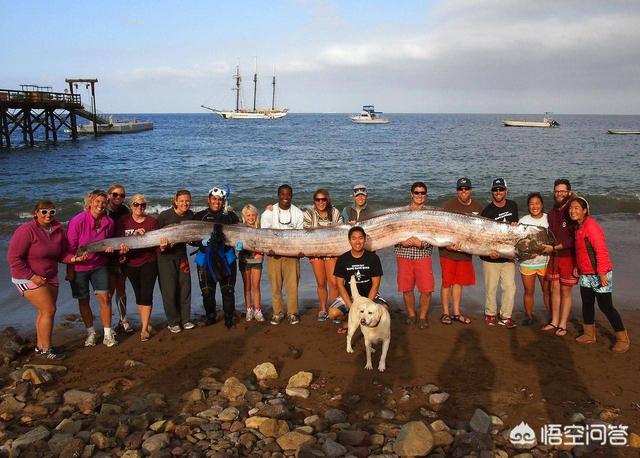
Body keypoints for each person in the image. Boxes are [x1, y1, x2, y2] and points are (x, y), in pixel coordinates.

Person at [7, 201, 85, 360]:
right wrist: (32, 277)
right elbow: (14, 259)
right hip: (26, 277)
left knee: (43, 312)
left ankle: (40, 346)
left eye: (52, 212)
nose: (48, 215)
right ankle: (47, 350)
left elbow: (61, 255)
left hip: (50, 277)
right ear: (36, 213)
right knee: (49, 310)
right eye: (44, 212)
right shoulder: (26, 230)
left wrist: (74, 259)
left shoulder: (57, 230)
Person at [569, 197, 630, 353]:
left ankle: (623, 339)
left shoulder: (591, 227)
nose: (572, 211)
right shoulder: (579, 227)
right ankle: (589, 334)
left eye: (576, 208)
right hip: (586, 274)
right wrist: (577, 266)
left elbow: (601, 251)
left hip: (600, 273)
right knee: (587, 303)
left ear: (585, 211)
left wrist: (602, 273)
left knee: (606, 306)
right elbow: (580, 251)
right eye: (571, 208)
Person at [67, 190, 118, 348]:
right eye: (97, 202)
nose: (100, 205)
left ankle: (108, 335)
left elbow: (108, 243)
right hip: (79, 266)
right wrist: (70, 270)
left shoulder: (109, 222)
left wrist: (110, 249)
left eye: (103, 202)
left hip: (99, 265)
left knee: (105, 298)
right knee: (84, 300)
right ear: (90, 203)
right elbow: (70, 248)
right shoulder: (77, 221)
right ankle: (91, 333)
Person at [193, 186, 240, 328]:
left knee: (228, 289)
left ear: (224, 201)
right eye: (214, 199)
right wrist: (199, 242)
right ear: (208, 200)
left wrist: (240, 244)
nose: (217, 202)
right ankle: (210, 317)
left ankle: (229, 318)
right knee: (207, 291)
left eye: (220, 200)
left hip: (227, 257)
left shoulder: (231, 216)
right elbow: (190, 238)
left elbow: (240, 235)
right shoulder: (199, 216)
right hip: (205, 258)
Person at [439, 178, 484, 325]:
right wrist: (446, 245)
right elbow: (439, 227)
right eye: (460, 189)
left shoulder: (478, 206)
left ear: (471, 190)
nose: (463, 191)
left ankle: (456, 312)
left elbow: (483, 231)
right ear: (457, 191)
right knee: (447, 283)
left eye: (466, 188)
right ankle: (446, 313)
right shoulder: (448, 205)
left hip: (465, 252)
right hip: (448, 252)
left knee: (459, 283)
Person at [116, 194, 160, 341]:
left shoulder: (152, 222)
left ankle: (144, 330)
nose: (139, 207)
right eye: (136, 204)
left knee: (147, 294)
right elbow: (118, 240)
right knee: (139, 294)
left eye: (142, 205)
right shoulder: (123, 221)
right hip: (130, 263)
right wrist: (120, 251)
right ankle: (146, 325)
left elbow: (155, 244)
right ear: (130, 206)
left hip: (148, 261)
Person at [260, 184, 305, 325]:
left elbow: (301, 236)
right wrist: (269, 249)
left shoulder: (298, 213)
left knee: (292, 287)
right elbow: (264, 234)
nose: (285, 197)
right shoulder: (268, 213)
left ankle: (293, 313)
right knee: (276, 286)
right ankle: (278, 313)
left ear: (291, 196)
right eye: (283, 194)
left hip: (292, 256)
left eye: (288, 194)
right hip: (274, 256)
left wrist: (300, 251)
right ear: (278, 195)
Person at [330, 226, 388, 333]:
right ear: (349, 240)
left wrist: (368, 306)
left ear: (365, 239)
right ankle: (348, 320)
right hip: (350, 297)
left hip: (369, 296)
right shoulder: (342, 259)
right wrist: (352, 308)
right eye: (354, 238)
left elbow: (376, 285)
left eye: (360, 238)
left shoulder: (373, 258)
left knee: (384, 310)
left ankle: (367, 322)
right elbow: (340, 285)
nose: (357, 241)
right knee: (333, 313)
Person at [393, 182, 434, 329]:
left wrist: (422, 244)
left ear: (426, 195)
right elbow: (392, 231)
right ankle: (411, 314)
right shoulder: (401, 213)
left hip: (423, 255)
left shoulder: (432, 214)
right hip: (403, 254)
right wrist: (401, 242)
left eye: (422, 193)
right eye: (417, 192)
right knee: (407, 288)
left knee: (426, 289)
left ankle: (422, 317)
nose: (419, 195)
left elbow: (436, 234)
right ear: (411, 194)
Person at [540, 179, 577, 337]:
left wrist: (554, 248)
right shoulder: (552, 212)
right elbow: (551, 235)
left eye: (563, 191)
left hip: (568, 256)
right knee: (553, 288)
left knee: (565, 290)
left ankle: (563, 324)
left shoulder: (572, 209)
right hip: (554, 256)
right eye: (557, 191)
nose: (559, 194)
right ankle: (554, 321)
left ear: (569, 192)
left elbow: (573, 238)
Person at [480, 178, 519, 329]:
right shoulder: (487, 211)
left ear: (506, 191)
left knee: (510, 287)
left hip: (508, 256)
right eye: (495, 190)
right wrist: (489, 252)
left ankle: (505, 316)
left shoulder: (513, 205)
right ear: (492, 192)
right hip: (491, 256)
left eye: (501, 189)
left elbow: (513, 232)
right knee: (491, 287)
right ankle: (490, 314)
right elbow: (482, 235)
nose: (498, 192)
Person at [157, 190, 195, 333]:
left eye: (187, 201)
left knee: (185, 288)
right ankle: (173, 321)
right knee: (169, 291)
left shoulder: (190, 215)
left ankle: (185, 320)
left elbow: (194, 236)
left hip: (182, 256)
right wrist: (161, 247)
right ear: (176, 201)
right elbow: (153, 237)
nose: (185, 203)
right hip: (165, 258)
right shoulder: (164, 216)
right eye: (182, 201)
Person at [303, 189, 344, 321]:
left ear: (328, 200)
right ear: (314, 201)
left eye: (323, 199)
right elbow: (306, 233)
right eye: (318, 200)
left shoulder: (335, 212)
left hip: (331, 251)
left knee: (334, 283)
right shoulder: (309, 213)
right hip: (315, 251)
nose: (321, 202)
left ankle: (333, 309)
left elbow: (340, 232)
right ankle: (323, 309)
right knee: (321, 283)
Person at [518, 192, 550, 325]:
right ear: (528, 206)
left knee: (547, 291)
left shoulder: (549, 219)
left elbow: (554, 239)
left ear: (542, 205)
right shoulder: (523, 221)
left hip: (545, 262)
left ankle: (552, 317)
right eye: (531, 204)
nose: (534, 206)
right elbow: (518, 243)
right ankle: (529, 316)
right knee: (528, 291)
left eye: (537, 203)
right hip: (527, 263)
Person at [106, 184, 134, 334]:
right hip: (106, 253)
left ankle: (123, 320)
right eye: (115, 195)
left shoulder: (124, 210)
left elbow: (128, 229)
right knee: (109, 290)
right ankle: (108, 325)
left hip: (121, 251)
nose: (118, 198)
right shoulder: (104, 209)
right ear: (109, 195)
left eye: (122, 195)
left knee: (121, 287)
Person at [239, 204, 265, 322]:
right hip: (244, 260)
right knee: (247, 286)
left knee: (256, 286)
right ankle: (249, 309)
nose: (251, 217)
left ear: (256, 216)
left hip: (257, 260)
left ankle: (257, 310)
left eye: (253, 215)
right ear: (244, 216)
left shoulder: (260, 228)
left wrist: (269, 208)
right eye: (248, 215)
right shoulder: (240, 228)